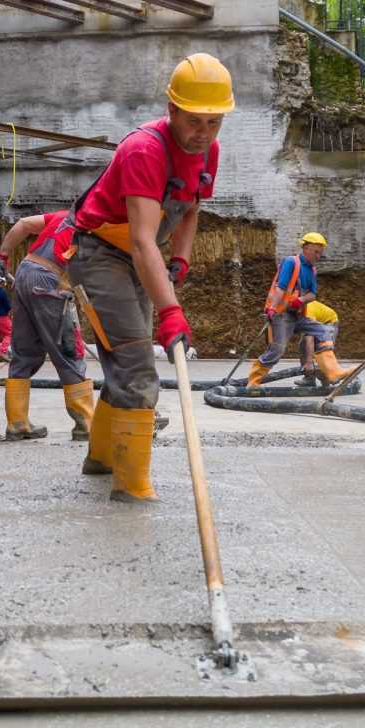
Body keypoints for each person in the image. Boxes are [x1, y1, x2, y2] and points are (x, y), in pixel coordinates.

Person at [66, 52, 234, 502]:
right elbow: (142, 240)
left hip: (139, 256)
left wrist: (179, 260)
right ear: (172, 110)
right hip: (100, 252)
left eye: (214, 123)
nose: (204, 134)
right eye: (195, 121)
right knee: (139, 360)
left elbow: (190, 208)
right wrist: (171, 312)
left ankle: (101, 457)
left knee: (127, 357)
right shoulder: (144, 149)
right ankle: (132, 484)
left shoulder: (208, 152)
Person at [0, 209, 93, 441]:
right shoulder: (99, 224)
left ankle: (17, 423)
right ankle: (86, 424)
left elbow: (24, 223)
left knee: (25, 352)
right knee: (68, 348)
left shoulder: (64, 216)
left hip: (25, 272)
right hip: (49, 278)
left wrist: (2, 256)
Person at [248, 233, 353, 387]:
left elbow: (313, 294)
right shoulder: (291, 262)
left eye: (320, 253)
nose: (318, 256)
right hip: (281, 313)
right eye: (316, 252)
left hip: (296, 314)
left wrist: (301, 300)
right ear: (305, 248)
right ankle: (253, 382)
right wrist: (271, 308)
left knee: (323, 331)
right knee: (277, 349)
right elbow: (281, 287)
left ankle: (332, 371)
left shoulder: (311, 270)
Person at [295, 300, 341, 387]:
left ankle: (329, 376)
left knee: (323, 348)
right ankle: (309, 378)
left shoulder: (307, 311)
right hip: (316, 321)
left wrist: (309, 362)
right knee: (303, 346)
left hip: (328, 322)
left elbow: (310, 338)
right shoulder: (293, 310)